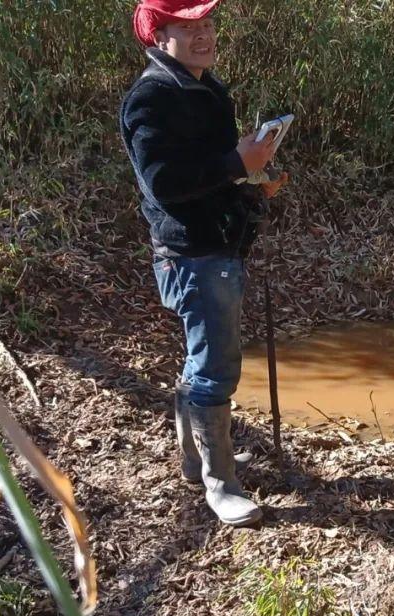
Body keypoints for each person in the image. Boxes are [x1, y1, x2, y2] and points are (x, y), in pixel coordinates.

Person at [120, 0, 288, 526]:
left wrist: (253, 178)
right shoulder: (151, 98)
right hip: (191, 252)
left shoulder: (206, 88)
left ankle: (196, 463)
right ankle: (221, 486)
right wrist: (240, 161)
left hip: (218, 242)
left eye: (208, 25)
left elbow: (211, 170)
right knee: (215, 370)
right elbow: (164, 182)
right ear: (158, 35)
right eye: (188, 27)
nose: (203, 35)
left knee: (202, 362)